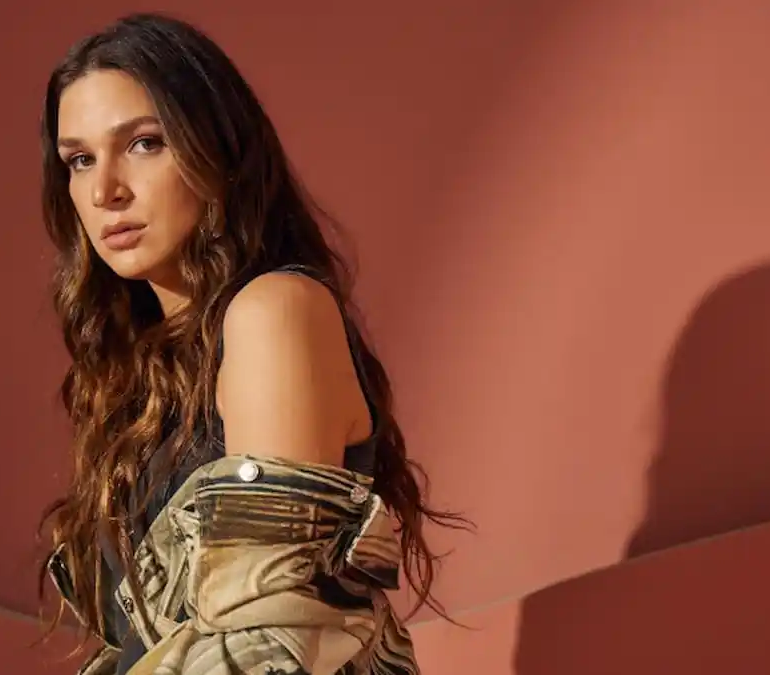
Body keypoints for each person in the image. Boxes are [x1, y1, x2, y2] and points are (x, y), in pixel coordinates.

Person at [35, 12, 468, 675]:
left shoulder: (273, 313)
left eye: (145, 143)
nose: (104, 190)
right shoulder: (143, 377)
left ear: (219, 151)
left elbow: (267, 644)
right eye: (80, 159)